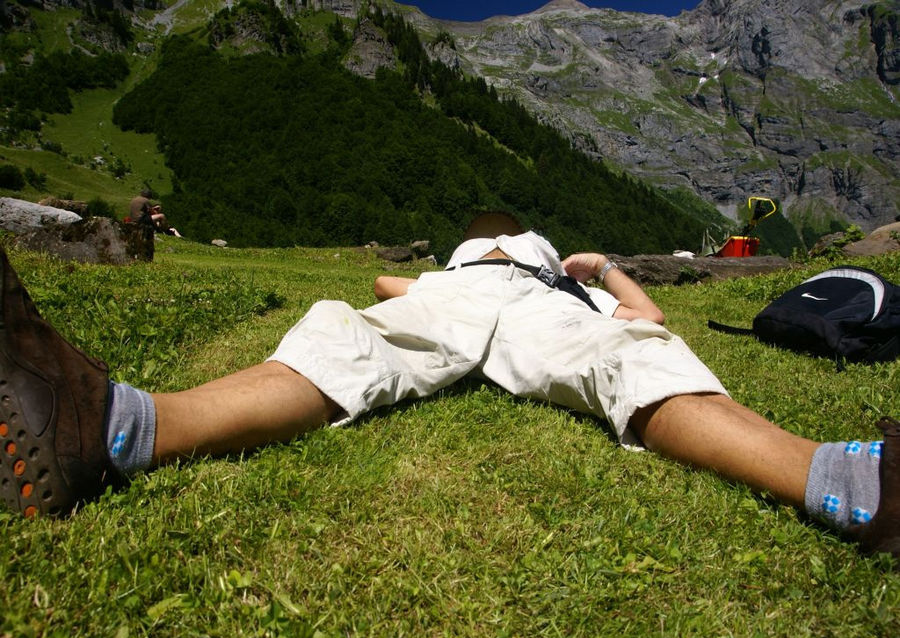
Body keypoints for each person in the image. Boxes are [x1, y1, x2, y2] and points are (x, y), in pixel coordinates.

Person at [0, 212, 896, 559]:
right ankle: (849, 480)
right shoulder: (540, 272)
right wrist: (591, 276)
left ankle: (121, 427)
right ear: (517, 243)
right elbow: (640, 320)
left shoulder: (502, 268)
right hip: (522, 301)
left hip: (472, 298)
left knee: (360, 340)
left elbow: (645, 314)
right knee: (627, 359)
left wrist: (599, 271)